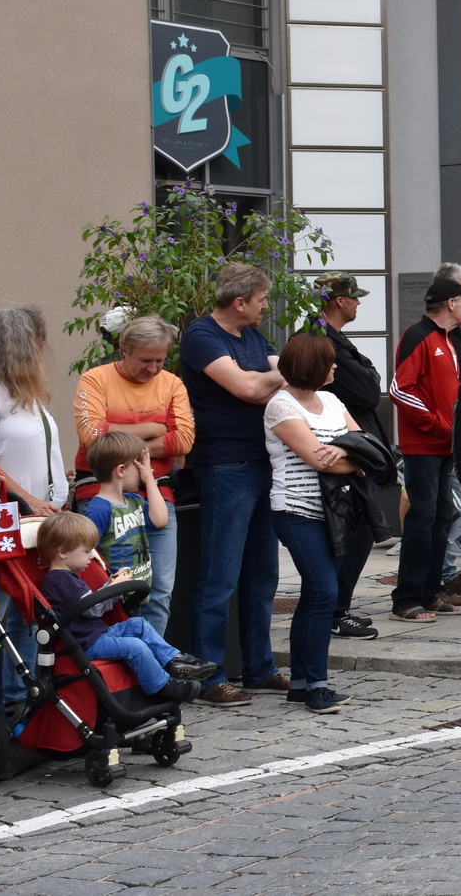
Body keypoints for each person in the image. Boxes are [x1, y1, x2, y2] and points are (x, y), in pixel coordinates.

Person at [180, 264, 288, 706]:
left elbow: (287, 376)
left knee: (263, 574)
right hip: (226, 465)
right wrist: (266, 381)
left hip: (264, 463)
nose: (266, 306)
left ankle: (259, 667)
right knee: (219, 576)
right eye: (261, 299)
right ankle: (209, 676)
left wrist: (265, 381)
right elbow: (246, 388)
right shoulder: (202, 336)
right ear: (239, 302)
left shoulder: (254, 338)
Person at [71, 315, 194, 635]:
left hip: (156, 493)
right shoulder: (96, 380)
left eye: (160, 360)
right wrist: (154, 428)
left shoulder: (172, 383)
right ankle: (112, 656)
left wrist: (118, 442)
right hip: (100, 494)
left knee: (159, 590)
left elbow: (184, 440)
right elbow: (92, 438)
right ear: (124, 350)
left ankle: (149, 658)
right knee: (106, 587)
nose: (153, 369)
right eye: (145, 360)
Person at [263, 334, 361, 714]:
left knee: (316, 595)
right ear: (311, 365)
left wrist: (346, 453)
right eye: (329, 361)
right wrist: (349, 456)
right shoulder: (280, 406)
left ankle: (301, 684)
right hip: (296, 511)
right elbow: (319, 460)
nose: (335, 366)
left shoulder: (332, 401)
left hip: (335, 512)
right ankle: (318, 685)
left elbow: (365, 447)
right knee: (324, 591)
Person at [36, 512, 215, 704]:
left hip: (97, 635)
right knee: (134, 646)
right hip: (86, 643)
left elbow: (89, 603)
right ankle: (162, 686)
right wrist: (113, 588)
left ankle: (175, 660)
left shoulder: (67, 577)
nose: (90, 556)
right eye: (86, 551)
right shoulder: (59, 580)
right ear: (63, 552)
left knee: (138, 624)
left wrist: (111, 585)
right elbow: (93, 609)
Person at [388, 276, 461, 623]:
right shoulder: (418, 335)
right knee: (422, 518)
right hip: (423, 444)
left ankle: (429, 592)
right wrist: (438, 423)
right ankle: (406, 598)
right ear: (451, 303)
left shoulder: (450, 339)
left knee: (441, 518)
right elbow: (399, 389)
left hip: (444, 444)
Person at [304, 274, 385, 642]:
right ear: (339, 300)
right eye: (355, 297)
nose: (359, 303)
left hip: (350, 446)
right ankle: (335, 611)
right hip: (335, 449)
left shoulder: (334, 339)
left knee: (361, 529)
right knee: (352, 530)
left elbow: (369, 383)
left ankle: (339, 607)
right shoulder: (320, 340)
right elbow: (368, 390)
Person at [0, 306, 67, 515]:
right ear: (22, 350)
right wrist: (28, 500)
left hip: (38, 513)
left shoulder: (25, 390)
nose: (43, 351)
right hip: (11, 515)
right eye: (40, 344)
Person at [79, 432, 167, 606]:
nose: (145, 472)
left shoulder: (135, 501)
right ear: (121, 470)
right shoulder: (100, 509)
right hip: (116, 598)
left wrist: (150, 481)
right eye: (139, 467)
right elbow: (88, 553)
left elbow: (160, 520)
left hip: (138, 592)